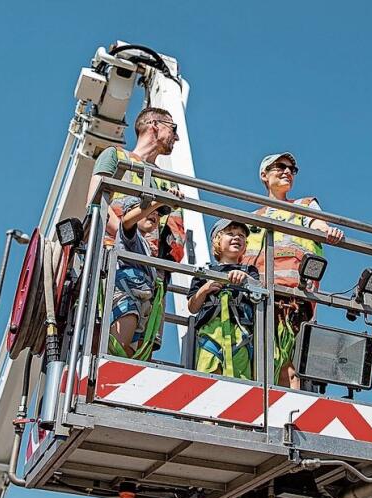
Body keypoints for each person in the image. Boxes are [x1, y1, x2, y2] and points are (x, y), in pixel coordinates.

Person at [242, 152, 343, 388]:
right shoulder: (251, 220)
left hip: (293, 299)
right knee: (256, 359)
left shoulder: (304, 205)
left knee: (287, 365)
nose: (287, 171)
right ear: (264, 175)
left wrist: (328, 231)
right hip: (256, 298)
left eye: (291, 169)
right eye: (280, 167)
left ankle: (288, 414)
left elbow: (317, 223)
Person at [86, 107, 186, 265]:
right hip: (111, 260)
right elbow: (95, 203)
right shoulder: (115, 156)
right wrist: (129, 239)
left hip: (147, 273)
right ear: (155, 124)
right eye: (173, 128)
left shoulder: (169, 182)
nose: (177, 137)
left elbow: (176, 239)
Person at [188, 219, 260, 380]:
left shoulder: (250, 271)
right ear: (217, 241)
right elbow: (192, 307)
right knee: (208, 374)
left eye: (241, 235)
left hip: (239, 333)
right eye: (230, 234)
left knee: (240, 379)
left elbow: (259, 291)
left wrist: (246, 279)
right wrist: (205, 289)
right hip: (211, 331)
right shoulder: (205, 272)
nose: (237, 238)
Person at [106, 196, 160, 359]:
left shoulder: (144, 245)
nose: (155, 215)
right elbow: (127, 223)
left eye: (158, 214)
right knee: (118, 350)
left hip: (142, 303)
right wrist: (159, 201)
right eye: (150, 210)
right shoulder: (128, 235)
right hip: (127, 297)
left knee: (131, 353)